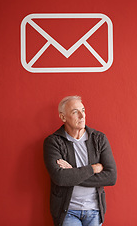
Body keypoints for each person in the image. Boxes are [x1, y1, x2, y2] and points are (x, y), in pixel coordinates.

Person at [43, 95, 117, 226]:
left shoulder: (99, 139)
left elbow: (111, 177)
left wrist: (72, 173)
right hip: (67, 212)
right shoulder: (53, 142)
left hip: (94, 210)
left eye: (83, 110)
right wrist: (92, 169)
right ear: (63, 117)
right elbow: (60, 178)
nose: (82, 116)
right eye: (75, 112)